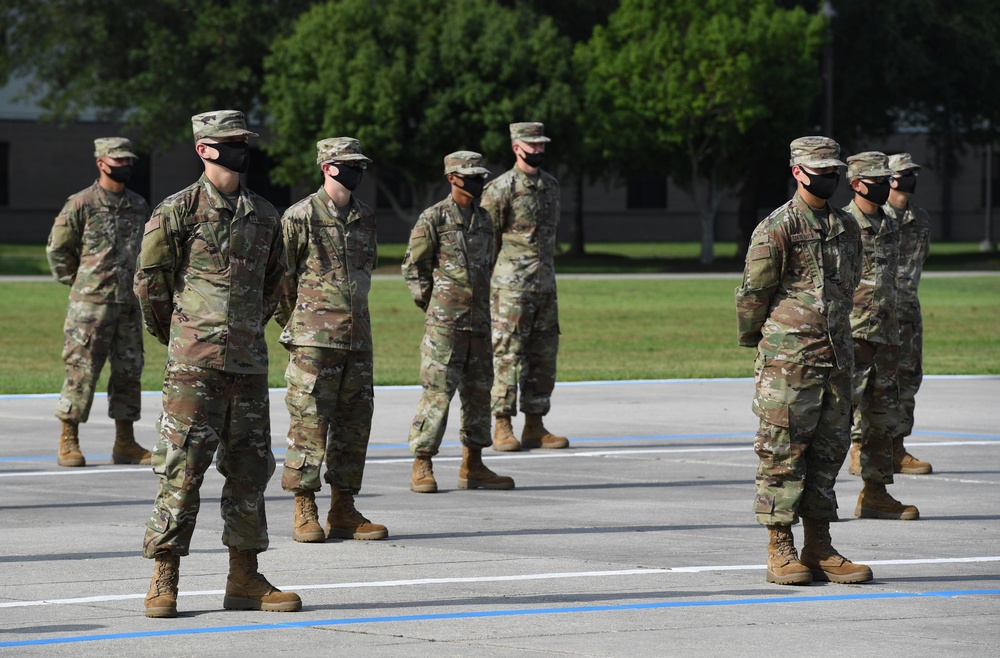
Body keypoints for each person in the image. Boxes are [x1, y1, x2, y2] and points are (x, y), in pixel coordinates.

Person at [135, 110, 300, 618]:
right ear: (204, 148)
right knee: (181, 470)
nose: (241, 149)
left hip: (248, 367)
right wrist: (185, 336)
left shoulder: (266, 214)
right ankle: (165, 575)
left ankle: (244, 577)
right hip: (193, 367)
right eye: (230, 141)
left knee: (250, 471)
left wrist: (246, 328)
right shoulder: (177, 210)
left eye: (244, 140)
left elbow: (277, 284)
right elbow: (150, 285)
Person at [736, 136, 872, 586]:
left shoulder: (847, 227)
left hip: (837, 357)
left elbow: (849, 286)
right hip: (788, 362)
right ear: (797, 171)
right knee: (783, 451)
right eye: (820, 170)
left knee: (828, 452)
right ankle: (780, 546)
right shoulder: (777, 226)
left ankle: (819, 544)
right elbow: (753, 295)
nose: (829, 177)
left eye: (834, 169)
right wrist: (766, 343)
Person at [275, 137, 387, 543]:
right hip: (313, 343)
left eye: (360, 164)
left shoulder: (366, 218)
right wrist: (301, 325)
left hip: (358, 340)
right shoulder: (299, 216)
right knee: (309, 423)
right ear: (327, 166)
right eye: (348, 164)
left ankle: (344, 506)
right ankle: (304, 504)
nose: (356, 170)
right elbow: (279, 282)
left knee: (355, 424)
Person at [402, 151, 515, 494]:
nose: (478, 182)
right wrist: (434, 305)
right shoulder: (433, 218)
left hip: (479, 323)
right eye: (471, 176)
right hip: (445, 327)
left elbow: (489, 264)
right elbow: (413, 266)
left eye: (481, 176)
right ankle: (423, 461)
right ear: (452, 178)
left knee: (479, 394)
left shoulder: (483, 220)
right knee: (437, 394)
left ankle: (474, 464)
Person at [46, 137, 151, 467]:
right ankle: (69, 439)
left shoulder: (138, 205)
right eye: (118, 161)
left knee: (128, 372)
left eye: (128, 161)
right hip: (90, 306)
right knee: (82, 372)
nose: (125, 166)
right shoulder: (81, 203)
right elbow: (57, 251)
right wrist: (81, 282)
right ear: (101, 163)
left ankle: (125, 441)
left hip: (128, 305)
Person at [480, 121, 569, 452]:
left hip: (545, 287)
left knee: (543, 356)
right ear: (517, 147)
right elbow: (487, 242)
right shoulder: (500, 188)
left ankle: (535, 424)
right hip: (511, 289)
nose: (539, 150)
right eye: (533, 145)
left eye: (542, 144)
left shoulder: (551, 186)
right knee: (507, 354)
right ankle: (502, 423)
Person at [843, 151, 920, 521]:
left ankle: (875, 494)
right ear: (857, 183)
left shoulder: (891, 223)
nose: (886, 184)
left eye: (886, 177)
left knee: (881, 418)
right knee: (835, 419)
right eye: (877, 178)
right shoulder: (841, 224)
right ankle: (814, 502)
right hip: (852, 335)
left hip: (887, 336)